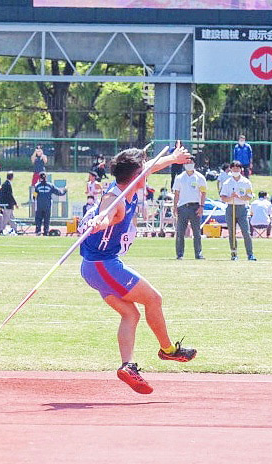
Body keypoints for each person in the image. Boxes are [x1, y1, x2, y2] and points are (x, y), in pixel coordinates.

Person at [79, 145, 197, 395]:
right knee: (154, 298)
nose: (148, 174)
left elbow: (153, 165)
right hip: (103, 265)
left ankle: (127, 367)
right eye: (143, 172)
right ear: (134, 176)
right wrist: (98, 221)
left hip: (95, 267)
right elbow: (106, 214)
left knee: (131, 315)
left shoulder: (129, 187)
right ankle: (168, 350)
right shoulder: (115, 199)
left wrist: (174, 159)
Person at [220, 160, 256, 261]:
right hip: (231, 208)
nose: (236, 170)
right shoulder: (227, 182)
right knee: (232, 233)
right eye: (234, 168)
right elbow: (223, 197)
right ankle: (234, 254)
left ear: (241, 169)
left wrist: (240, 197)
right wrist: (230, 197)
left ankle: (250, 254)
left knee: (246, 232)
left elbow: (249, 197)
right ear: (230, 169)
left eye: (238, 168)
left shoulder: (246, 182)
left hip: (242, 208)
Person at [172, 155, 207, 260]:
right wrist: (175, 207)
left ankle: (198, 253)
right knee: (180, 232)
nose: (189, 165)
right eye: (187, 163)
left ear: (194, 164)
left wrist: (201, 206)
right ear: (184, 164)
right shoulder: (179, 178)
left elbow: (203, 193)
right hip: (182, 207)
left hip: (195, 206)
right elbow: (176, 193)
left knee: (196, 232)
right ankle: (179, 254)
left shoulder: (199, 177)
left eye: (190, 162)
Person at [33, 171, 67, 236]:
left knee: (38, 219)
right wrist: (65, 190)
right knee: (46, 219)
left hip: (39, 206)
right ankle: (46, 231)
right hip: (47, 206)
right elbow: (59, 192)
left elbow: (34, 195)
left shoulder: (37, 186)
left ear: (39, 178)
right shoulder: (50, 185)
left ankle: (38, 230)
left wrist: (35, 199)